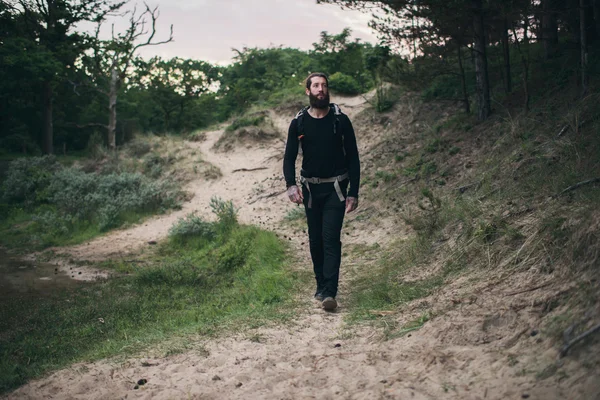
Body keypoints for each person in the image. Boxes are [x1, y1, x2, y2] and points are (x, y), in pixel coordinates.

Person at [283, 72, 361, 311]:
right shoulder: (299, 123)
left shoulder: (340, 120)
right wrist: (291, 185)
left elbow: (354, 158)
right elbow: (289, 158)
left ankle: (330, 292)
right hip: (310, 190)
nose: (321, 89)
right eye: (316, 86)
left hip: (336, 189)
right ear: (308, 91)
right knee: (315, 240)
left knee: (330, 239)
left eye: (324, 86)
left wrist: (354, 192)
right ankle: (320, 285)